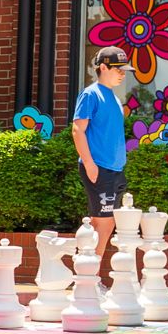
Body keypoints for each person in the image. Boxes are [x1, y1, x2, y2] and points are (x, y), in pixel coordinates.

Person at [72, 46, 130, 259]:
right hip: (99, 167)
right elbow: (78, 129)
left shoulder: (114, 98)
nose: (123, 74)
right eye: (119, 69)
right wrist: (89, 164)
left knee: (104, 221)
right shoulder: (90, 94)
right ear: (103, 67)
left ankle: (88, 274)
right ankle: (89, 277)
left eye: (125, 70)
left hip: (114, 169)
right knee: (103, 223)